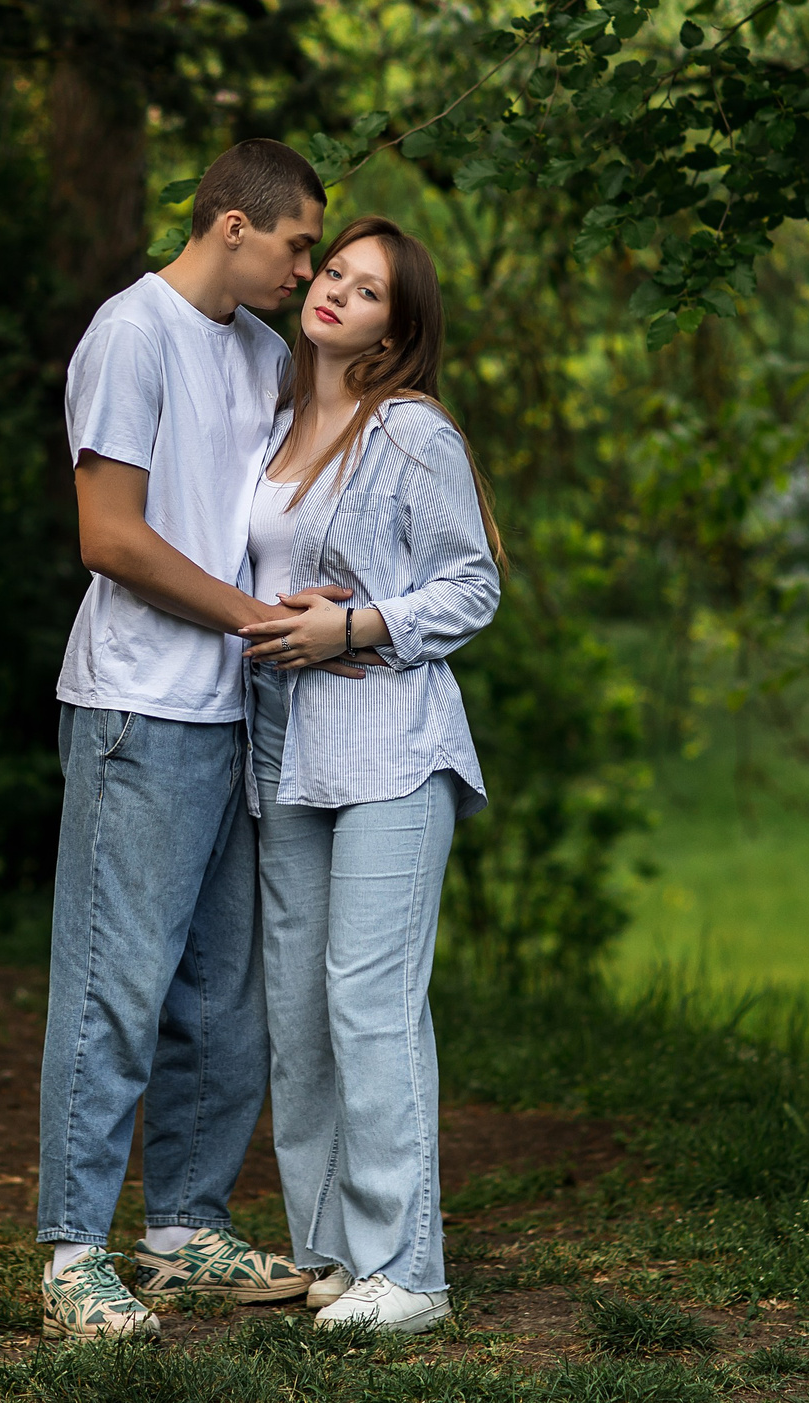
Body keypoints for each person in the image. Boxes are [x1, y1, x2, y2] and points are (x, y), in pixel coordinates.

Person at [36, 139, 360, 1341]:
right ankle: (73, 1251)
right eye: (293, 245)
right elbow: (108, 536)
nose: (305, 268)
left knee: (224, 997)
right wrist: (254, 622)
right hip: (140, 705)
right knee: (113, 985)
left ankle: (181, 1234)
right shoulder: (132, 334)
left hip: (241, 711)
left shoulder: (266, 352)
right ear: (231, 225)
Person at [236, 214, 505, 1336]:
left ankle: (413, 1273)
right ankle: (336, 1253)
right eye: (333, 271)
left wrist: (353, 626)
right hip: (288, 754)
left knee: (369, 999)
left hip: (393, 748)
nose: (338, 293)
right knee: (296, 1013)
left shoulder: (408, 432)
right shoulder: (279, 422)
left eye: (371, 290)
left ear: (400, 327)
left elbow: (472, 584)